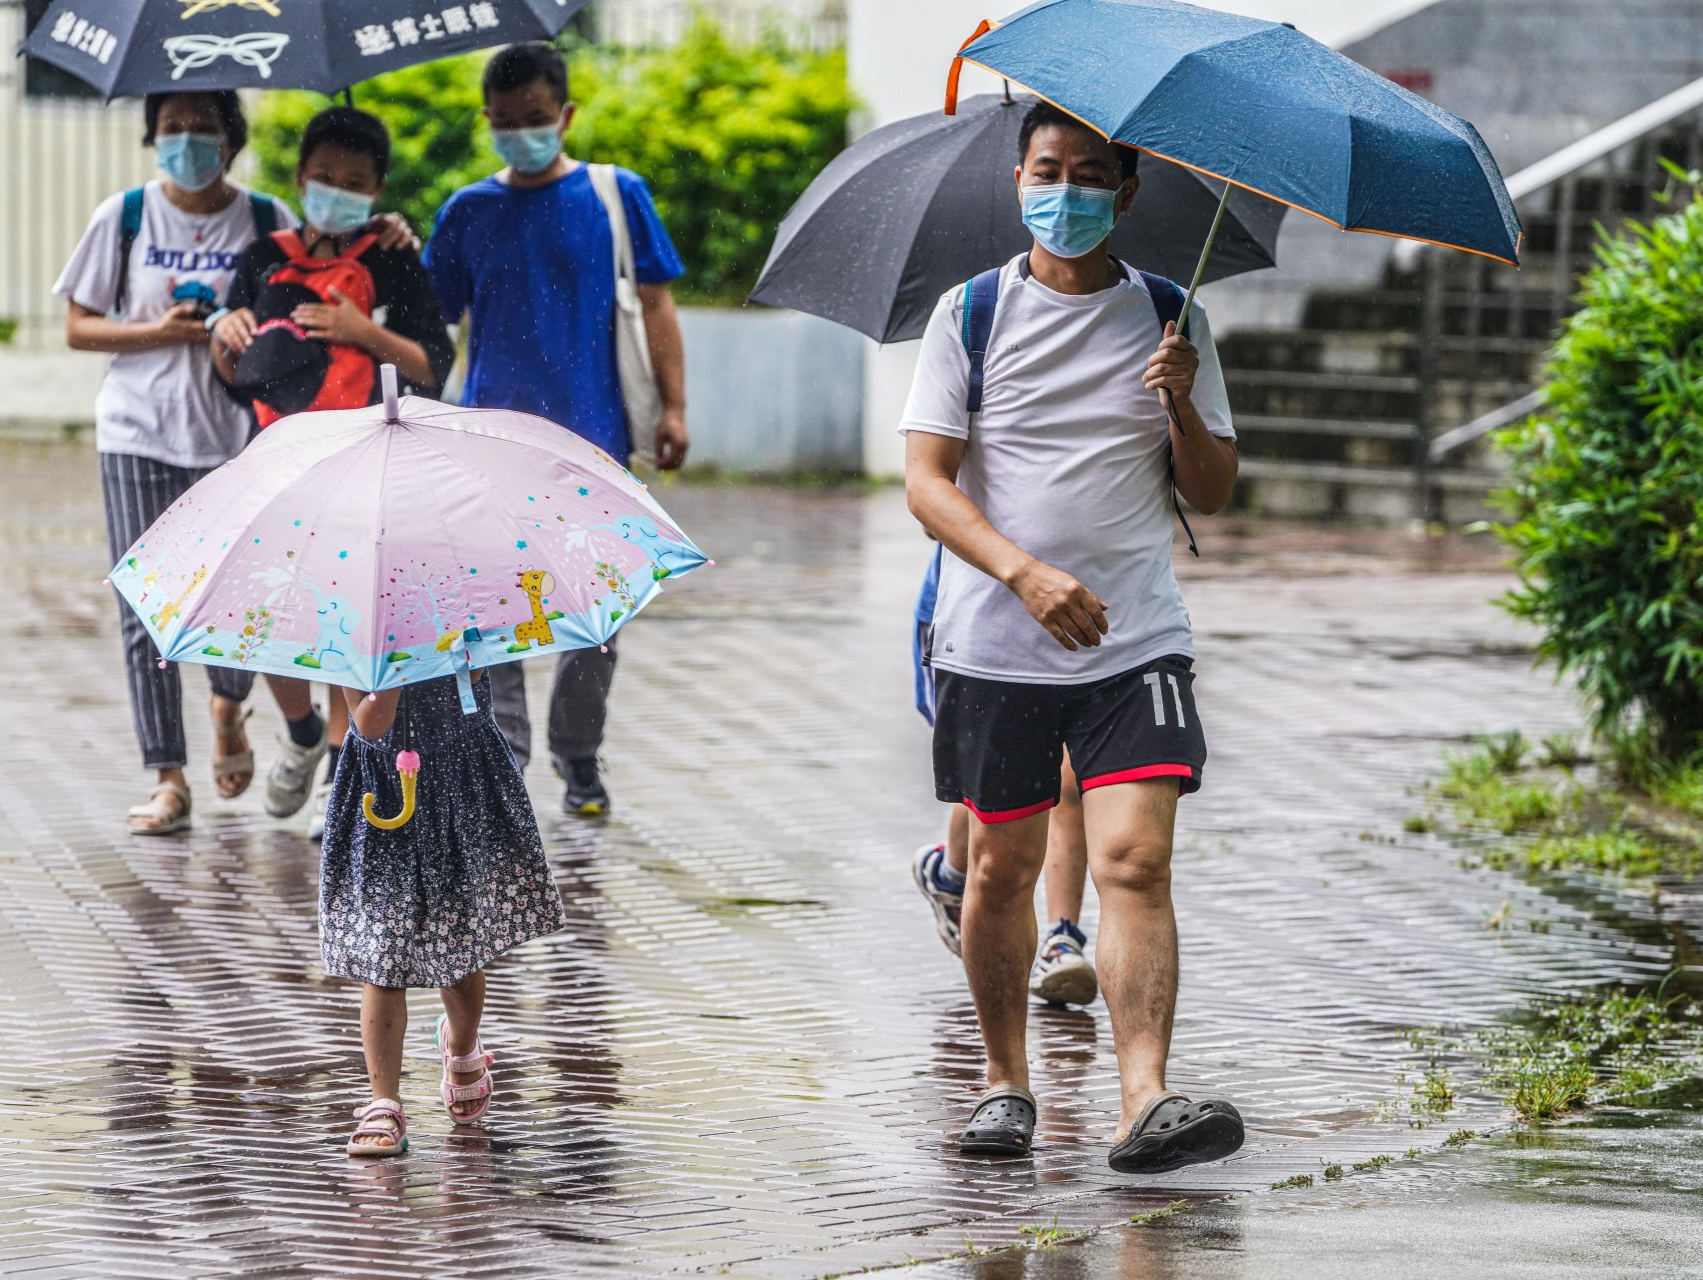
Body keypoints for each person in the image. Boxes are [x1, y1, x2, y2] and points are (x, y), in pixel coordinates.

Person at [900, 102, 1246, 1173]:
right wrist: (1023, 572)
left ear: (1125, 192)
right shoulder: (968, 315)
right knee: (1000, 869)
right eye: (1049, 169)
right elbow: (924, 480)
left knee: (1134, 858)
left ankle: (1142, 1096)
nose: (1068, 190)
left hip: (1134, 638)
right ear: (1018, 181)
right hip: (992, 644)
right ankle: (1006, 1082)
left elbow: (1216, 491)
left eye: (1091, 173)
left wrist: (1182, 406)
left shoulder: (1167, 313)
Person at [424, 42, 688, 816]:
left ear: (565, 115)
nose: (521, 133)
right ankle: (505, 760)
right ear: (486, 122)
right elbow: (433, 326)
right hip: (487, 451)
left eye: (536, 119)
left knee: (596, 617)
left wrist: (673, 406)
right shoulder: (466, 211)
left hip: (593, 444)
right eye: (505, 122)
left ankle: (579, 756)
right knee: (490, 612)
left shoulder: (614, 195)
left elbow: (657, 304)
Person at [55, 91, 300, 836]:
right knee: (144, 611)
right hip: (137, 433)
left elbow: (307, 298)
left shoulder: (267, 219)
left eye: (204, 128)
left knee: (241, 601)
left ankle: (228, 705)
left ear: (232, 138)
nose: (188, 141)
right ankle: (167, 777)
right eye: (172, 129)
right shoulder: (123, 215)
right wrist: (156, 332)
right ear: (152, 136)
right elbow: (77, 326)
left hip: (238, 440)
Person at [211, 107, 455, 839]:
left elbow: (432, 368)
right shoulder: (262, 256)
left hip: (365, 468)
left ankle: (343, 771)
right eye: (324, 177)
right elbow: (240, 375)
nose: (336, 190)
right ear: (299, 176)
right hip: (278, 462)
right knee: (271, 615)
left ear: (377, 188)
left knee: (347, 615)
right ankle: (303, 727)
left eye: (354, 181)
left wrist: (363, 332)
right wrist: (223, 340)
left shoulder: (394, 260)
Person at [321, 668, 568, 1156]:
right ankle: (383, 1101)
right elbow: (370, 724)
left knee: (457, 953)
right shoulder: (355, 636)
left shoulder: (459, 613)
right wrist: (386, 678)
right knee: (383, 956)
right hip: (381, 794)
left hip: (458, 784)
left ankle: (461, 1043)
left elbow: (475, 692)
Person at [910, 550, 1099, 1007]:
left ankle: (1062, 938)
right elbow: (933, 510)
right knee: (995, 781)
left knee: (1069, 779)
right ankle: (950, 873)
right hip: (977, 619)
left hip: (1090, 612)